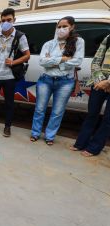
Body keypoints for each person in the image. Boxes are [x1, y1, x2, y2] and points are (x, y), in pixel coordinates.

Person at [30, 16, 84, 145]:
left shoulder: (78, 42)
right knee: (39, 108)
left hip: (65, 82)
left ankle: (50, 136)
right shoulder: (49, 44)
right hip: (46, 79)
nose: (61, 29)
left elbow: (78, 61)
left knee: (58, 111)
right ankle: (35, 133)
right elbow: (42, 61)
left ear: (72, 27)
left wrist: (53, 61)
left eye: (64, 26)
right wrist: (63, 59)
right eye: (59, 27)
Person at [0, 8, 30, 137]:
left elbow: (27, 55)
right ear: (0, 22)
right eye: (3, 20)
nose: (6, 22)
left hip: (9, 77)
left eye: (9, 20)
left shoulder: (20, 36)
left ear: (14, 20)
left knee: (9, 103)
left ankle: (7, 126)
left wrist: (13, 62)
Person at [71, 34, 110, 156]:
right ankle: (81, 143)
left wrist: (108, 82)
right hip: (99, 81)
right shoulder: (108, 38)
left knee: (108, 120)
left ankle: (94, 148)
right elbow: (97, 60)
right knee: (91, 114)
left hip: (106, 81)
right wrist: (100, 80)